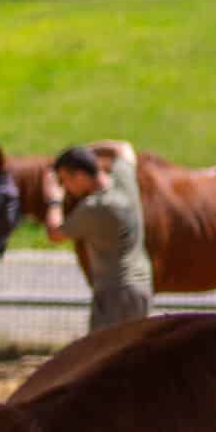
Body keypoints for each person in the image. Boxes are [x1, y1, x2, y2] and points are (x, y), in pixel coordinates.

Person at [44, 139, 151, 331]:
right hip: (141, 288)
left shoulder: (96, 208)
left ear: (79, 176)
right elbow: (123, 148)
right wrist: (83, 152)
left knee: (104, 349)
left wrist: (54, 200)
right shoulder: (124, 182)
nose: (65, 187)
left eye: (65, 180)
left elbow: (55, 233)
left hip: (114, 295)